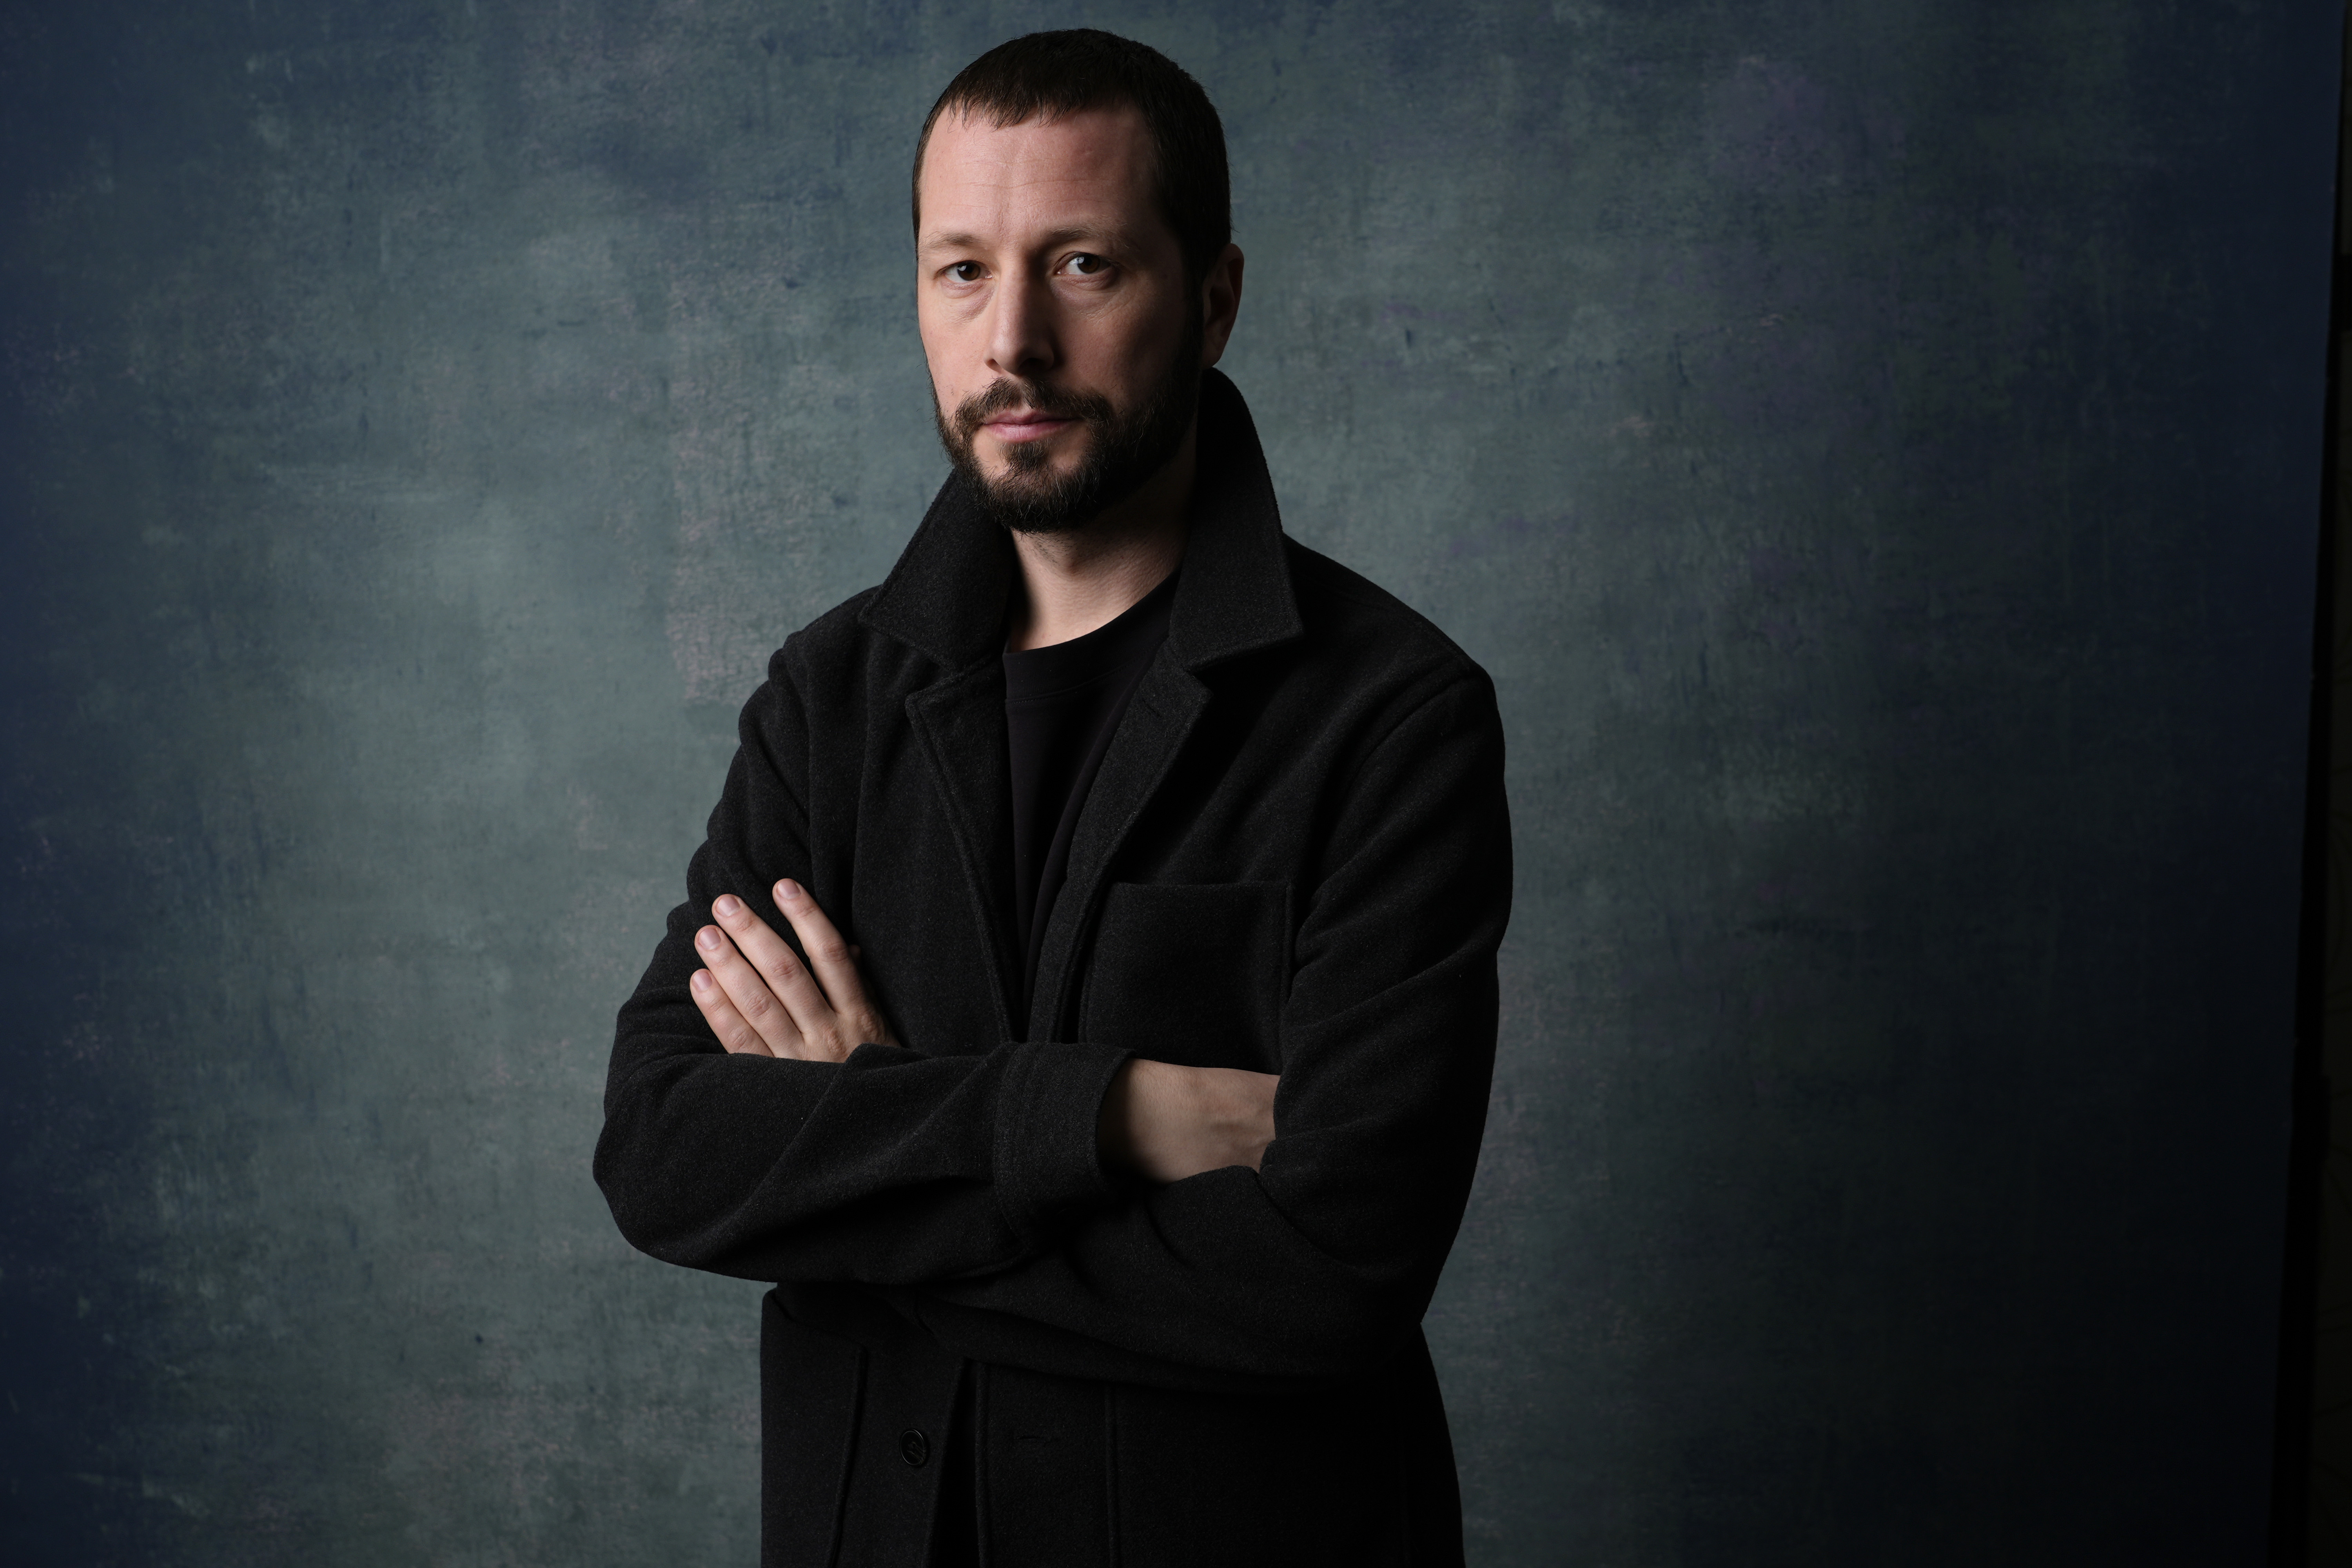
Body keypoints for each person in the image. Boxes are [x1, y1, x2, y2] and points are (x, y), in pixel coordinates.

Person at [594, 29, 1512, 1568]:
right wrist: (1113, 1115)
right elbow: (665, 1147)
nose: (1011, 339)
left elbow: (1333, 1269)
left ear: (1212, 300)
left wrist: (864, 1141)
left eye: (1082, 265)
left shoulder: (1394, 715)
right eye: (962, 269)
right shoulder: (828, 698)